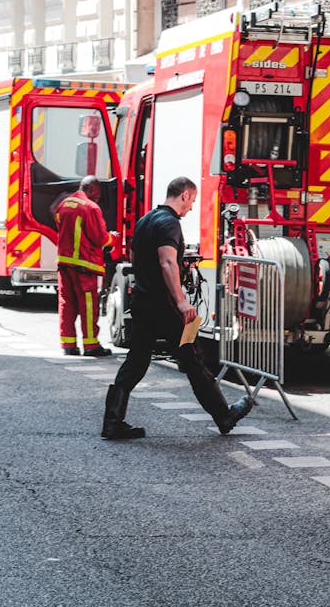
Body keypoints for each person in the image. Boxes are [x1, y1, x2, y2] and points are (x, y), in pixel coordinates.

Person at [101, 176, 254, 440]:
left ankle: (112, 421)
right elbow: (167, 262)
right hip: (166, 307)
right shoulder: (170, 223)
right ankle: (224, 416)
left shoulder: (145, 220)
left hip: (143, 302)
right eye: (192, 201)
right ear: (184, 195)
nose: (191, 207)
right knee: (193, 360)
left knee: (136, 362)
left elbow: (137, 259)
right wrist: (181, 301)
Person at [55, 174, 119, 357]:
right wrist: (113, 238)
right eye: (97, 194)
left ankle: (68, 344)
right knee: (88, 306)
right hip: (85, 266)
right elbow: (99, 238)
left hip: (65, 263)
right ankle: (91, 346)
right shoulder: (90, 208)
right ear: (90, 189)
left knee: (67, 304)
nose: (97, 198)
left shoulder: (64, 204)